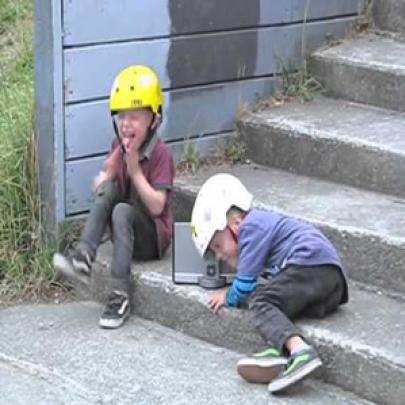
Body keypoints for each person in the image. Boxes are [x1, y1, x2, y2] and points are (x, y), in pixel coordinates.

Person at [190, 173, 348, 393]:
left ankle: (300, 351)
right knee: (271, 297)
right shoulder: (262, 228)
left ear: (235, 224)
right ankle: (278, 353)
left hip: (311, 265)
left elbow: (244, 286)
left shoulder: (251, 228)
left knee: (260, 300)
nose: (218, 256)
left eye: (217, 245)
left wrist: (227, 296)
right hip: (329, 285)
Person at [53, 65, 175, 329]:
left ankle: (119, 295)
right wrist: (107, 176)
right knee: (109, 192)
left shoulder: (161, 154)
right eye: (121, 117)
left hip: (152, 238)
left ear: (154, 120)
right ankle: (84, 256)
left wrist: (134, 170)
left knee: (121, 210)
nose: (126, 124)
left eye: (134, 117)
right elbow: (102, 184)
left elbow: (157, 206)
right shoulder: (118, 147)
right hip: (124, 227)